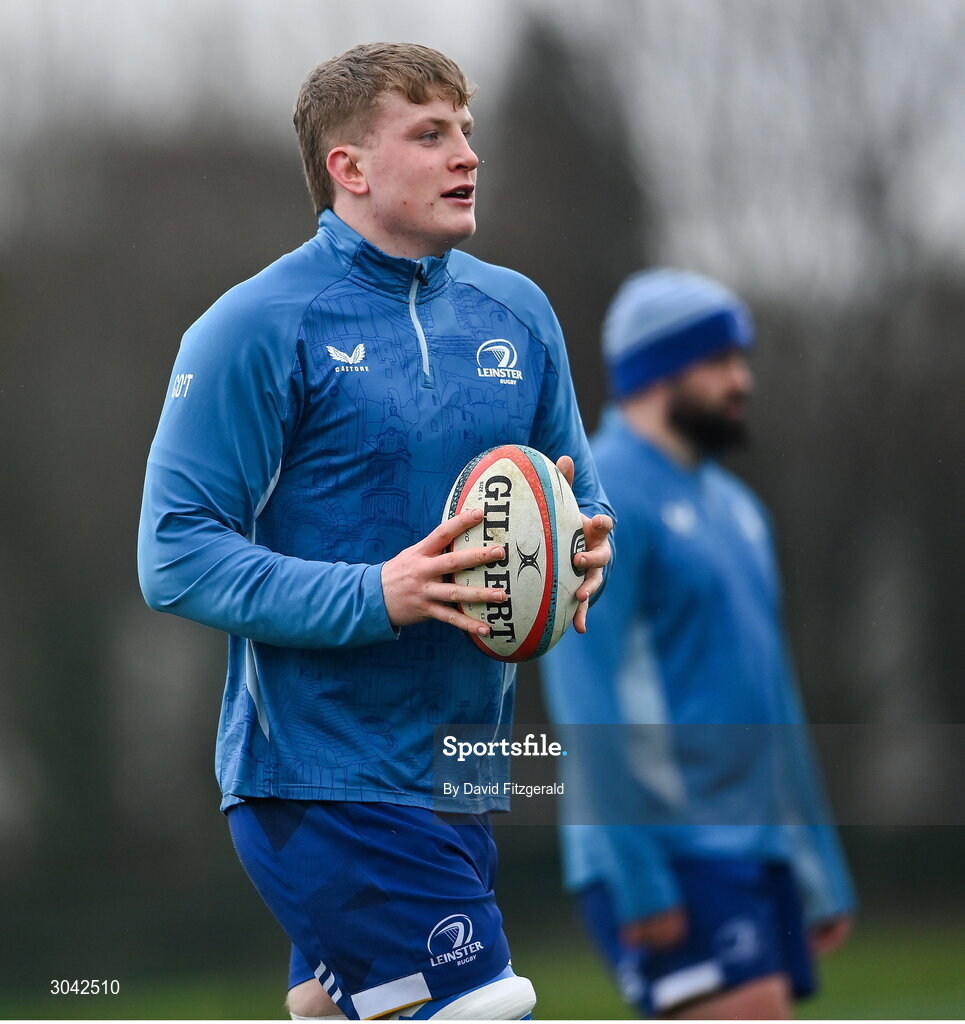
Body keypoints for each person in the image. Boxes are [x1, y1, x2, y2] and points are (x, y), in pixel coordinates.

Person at [137, 42, 613, 1022]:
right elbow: (173, 550)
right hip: (320, 778)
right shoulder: (255, 326)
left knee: (332, 1012)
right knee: (483, 1008)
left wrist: (585, 551)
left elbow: (584, 501)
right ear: (348, 169)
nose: (465, 155)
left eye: (467, 132)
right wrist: (377, 593)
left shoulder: (517, 314)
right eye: (430, 134)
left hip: (458, 772)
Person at [541, 268, 854, 1019]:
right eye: (718, 363)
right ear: (657, 372)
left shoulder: (738, 509)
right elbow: (584, 696)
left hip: (754, 853)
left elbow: (773, 694)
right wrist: (636, 870)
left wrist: (816, 862)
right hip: (667, 853)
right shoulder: (600, 494)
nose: (740, 381)